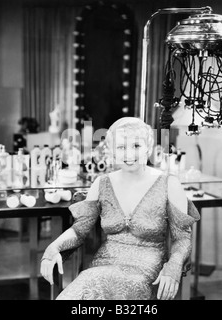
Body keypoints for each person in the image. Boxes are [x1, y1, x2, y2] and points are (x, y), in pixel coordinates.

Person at [40, 117, 200, 300]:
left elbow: (182, 238)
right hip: (103, 265)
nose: (129, 154)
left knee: (93, 283)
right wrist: (53, 247)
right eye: (121, 147)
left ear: (148, 147)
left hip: (146, 270)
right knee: (84, 285)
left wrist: (174, 265)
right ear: (112, 151)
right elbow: (79, 230)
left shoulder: (169, 184)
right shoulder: (101, 183)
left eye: (136, 146)